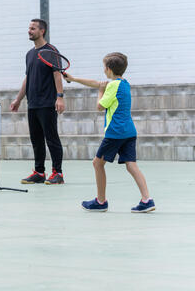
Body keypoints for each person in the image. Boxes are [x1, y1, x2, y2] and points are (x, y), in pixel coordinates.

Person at [64, 53, 155, 213]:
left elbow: (100, 106)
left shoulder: (112, 86)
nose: (103, 70)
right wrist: (74, 79)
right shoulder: (124, 83)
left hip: (115, 132)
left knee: (97, 163)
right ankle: (147, 199)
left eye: (104, 67)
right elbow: (98, 84)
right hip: (129, 132)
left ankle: (100, 201)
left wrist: (100, 92)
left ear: (108, 69)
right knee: (131, 165)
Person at [9, 19, 66, 185]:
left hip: (47, 103)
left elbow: (57, 75)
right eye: (29, 28)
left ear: (42, 31)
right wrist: (18, 99)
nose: (29, 31)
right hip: (32, 103)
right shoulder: (29, 54)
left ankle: (58, 174)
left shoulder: (51, 51)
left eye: (33, 28)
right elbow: (27, 78)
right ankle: (39, 172)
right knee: (36, 140)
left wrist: (60, 97)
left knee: (51, 138)